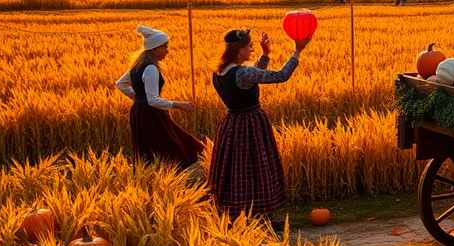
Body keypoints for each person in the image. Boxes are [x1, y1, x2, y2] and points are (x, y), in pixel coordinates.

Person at [208, 28, 311, 230]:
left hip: (231, 123)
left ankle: (236, 216)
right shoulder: (243, 72)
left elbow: (252, 78)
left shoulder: (219, 71)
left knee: (234, 171)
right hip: (251, 124)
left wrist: (265, 55)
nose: (252, 49)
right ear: (240, 50)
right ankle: (263, 217)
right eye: (250, 46)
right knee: (259, 169)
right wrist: (297, 51)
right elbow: (281, 76)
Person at [115, 25, 203, 169]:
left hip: (139, 112)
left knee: (149, 147)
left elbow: (120, 84)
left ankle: (153, 174)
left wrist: (138, 98)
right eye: (165, 47)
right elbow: (153, 100)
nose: (167, 51)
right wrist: (178, 105)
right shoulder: (151, 68)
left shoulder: (136, 65)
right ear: (155, 48)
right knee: (172, 143)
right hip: (151, 115)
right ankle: (176, 174)